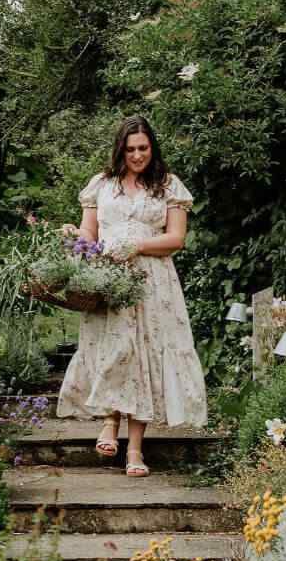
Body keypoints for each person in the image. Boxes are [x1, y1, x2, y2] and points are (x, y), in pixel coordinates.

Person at [56, 114, 208, 476]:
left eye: (143, 148)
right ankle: (109, 425)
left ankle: (135, 451)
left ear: (152, 147)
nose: (137, 155)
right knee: (114, 348)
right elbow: (89, 237)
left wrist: (136, 245)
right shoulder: (102, 185)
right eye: (130, 150)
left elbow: (176, 239)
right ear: (120, 151)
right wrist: (72, 236)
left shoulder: (168, 185)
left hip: (152, 280)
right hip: (109, 279)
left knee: (144, 356)